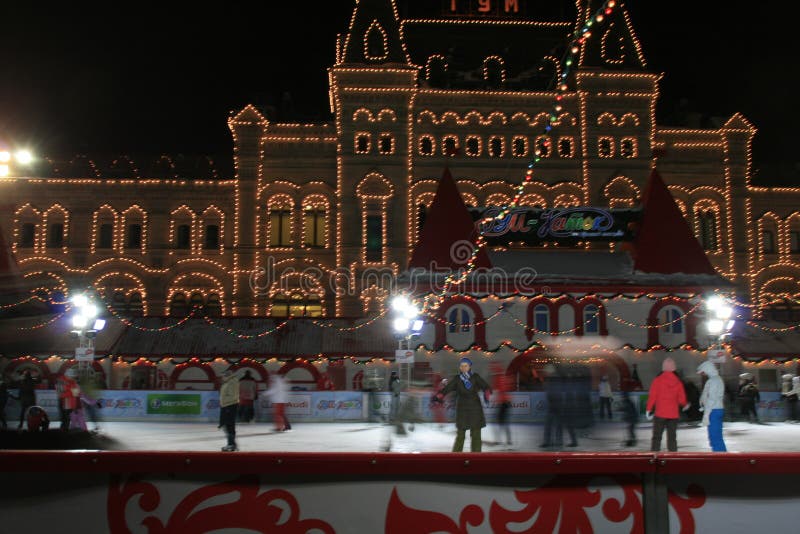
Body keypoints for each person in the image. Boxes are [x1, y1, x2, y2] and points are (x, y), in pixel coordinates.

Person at [435, 357, 492, 452]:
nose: (464, 368)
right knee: (460, 435)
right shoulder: (457, 379)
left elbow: (485, 386)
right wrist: (439, 395)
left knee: (476, 435)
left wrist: (487, 392)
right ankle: (456, 456)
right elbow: (448, 388)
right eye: (462, 366)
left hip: (475, 409)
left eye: (466, 366)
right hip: (462, 409)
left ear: (470, 367)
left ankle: (476, 456)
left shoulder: (475, 377)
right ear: (460, 367)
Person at [646, 357, 689, 452]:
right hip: (673, 415)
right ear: (674, 368)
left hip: (660, 414)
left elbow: (652, 396)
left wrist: (649, 409)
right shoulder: (678, 382)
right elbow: (681, 398)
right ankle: (673, 458)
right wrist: (685, 404)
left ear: (663, 367)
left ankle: (655, 456)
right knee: (672, 438)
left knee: (656, 438)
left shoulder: (657, 380)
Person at [697, 360, 727, 452]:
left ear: (707, 369)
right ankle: (720, 455)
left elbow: (712, 398)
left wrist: (706, 414)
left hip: (714, 410)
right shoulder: (716, 379)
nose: (703, 374)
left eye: (703, 372)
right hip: (715, 409)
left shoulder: (714, 380)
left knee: (715, 437)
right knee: (715, 436)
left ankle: (720, 456)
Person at [490, 363, 512, 446]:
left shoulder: (498, 378)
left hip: (503, 403)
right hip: (506, 402)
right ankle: (508, 440)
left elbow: (500, 390)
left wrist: (497, 401)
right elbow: (505, 389)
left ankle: (499, 440)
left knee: (498, 422)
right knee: (503, 422)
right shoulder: (503, 377)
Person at [218, 367, 240, 451]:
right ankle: (232, 444)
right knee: (226, 425)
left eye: (223, 375)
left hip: (229, 406)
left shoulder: (232, 382)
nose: (222, 377)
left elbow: (232, 396)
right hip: (226, 405)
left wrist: (224, 402)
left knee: (229, 426)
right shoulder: (227, 382)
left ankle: (231, 444)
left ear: (227, 375)